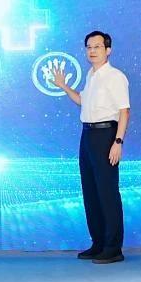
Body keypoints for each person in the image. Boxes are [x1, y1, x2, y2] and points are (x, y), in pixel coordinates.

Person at [52, 30, 130, 264]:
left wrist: (118, 142)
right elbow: (82, 100)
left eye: (97, 47)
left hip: (106, 135)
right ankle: (98, 243)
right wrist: (64, 86)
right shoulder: (91, 75)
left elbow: (124, 111)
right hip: (87, 135)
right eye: (89, 47)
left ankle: (113, 248)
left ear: (108, 50)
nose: (92, 51)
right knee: (91, 192)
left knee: (107, 192)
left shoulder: (115, 76)